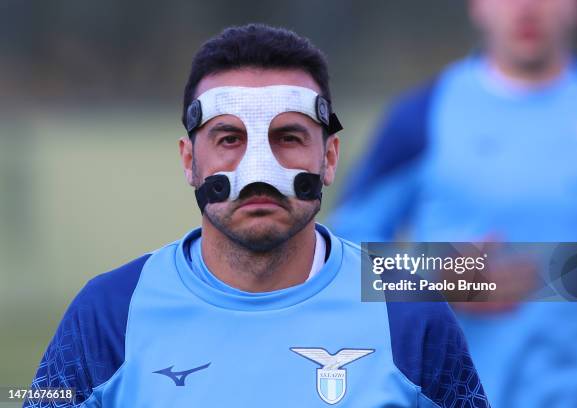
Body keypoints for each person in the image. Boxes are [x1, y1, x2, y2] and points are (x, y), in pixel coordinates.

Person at [25, 24, 488, 407]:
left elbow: (559, 273)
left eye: (288, 137)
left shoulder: (408, 310)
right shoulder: (109, 312)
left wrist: (469, 276)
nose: (259, 174)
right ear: (189, 161)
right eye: (229, 139)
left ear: (329, 158)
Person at [330, 0, 577, 407]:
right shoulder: (422, 115)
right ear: (476, 6)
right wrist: (432, 279)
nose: (527, 8)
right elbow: (340, 256)